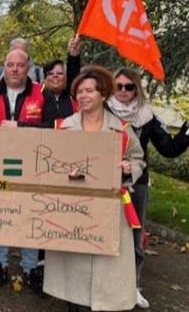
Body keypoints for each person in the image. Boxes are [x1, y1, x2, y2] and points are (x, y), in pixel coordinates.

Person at [44, 66, 145, 311]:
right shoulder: (63, 127)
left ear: (103, 94)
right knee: (74, 266)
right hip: (73, 207)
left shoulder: (121, 129)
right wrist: (62, 171)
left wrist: (129, 168)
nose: (83, 95)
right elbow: (49, 163)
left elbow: (138, 158)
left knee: (104, 265)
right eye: (79, 91)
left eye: (89, 90)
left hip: (109, 208)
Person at [106, 67, 189, 309]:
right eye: (118, 86)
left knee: (134, 234)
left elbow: (169, 149)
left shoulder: (147, 116)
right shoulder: (104, 109)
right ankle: (104, 283)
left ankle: (133, 286)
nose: (122, 91)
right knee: (105, 232)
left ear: (136, 89)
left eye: (128, 87)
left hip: (136, 183)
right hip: (105, 179)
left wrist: (186, 133)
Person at [0, 49, 56, 294]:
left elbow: (53, 127)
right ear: (4, 66)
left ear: (28, 67)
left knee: (30, 214)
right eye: (10, 64)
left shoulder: (42, 93)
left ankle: (30, 267)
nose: (15, 69)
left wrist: (20, 127)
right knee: (0, 213)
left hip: (32, 166)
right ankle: (0, 264)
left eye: (20, 65)